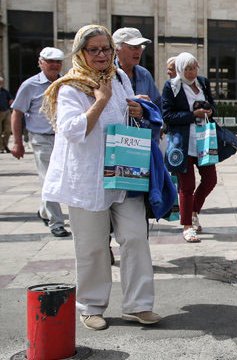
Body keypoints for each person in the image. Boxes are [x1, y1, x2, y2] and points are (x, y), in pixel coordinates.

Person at [41, 24, 161, 331]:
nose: (101, 55)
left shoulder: (119, 77)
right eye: (93, 49)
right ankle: (91, 305)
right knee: (92, 246)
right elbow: (71, 130)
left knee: (135, 237)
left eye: (105, 49)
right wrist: (101, 101)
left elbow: (126, 114)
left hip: (123, 172)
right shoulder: (70, 86)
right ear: (81, 53)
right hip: (87, 179)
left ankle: (138, 304)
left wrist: (135, 109)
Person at [10, 47, 71, 237]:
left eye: (57, 62)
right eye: (49, 61)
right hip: (41, 138)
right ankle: (56, 223)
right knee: (49, 179)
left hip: (63, 139)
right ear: (40, 62)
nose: (54, 65)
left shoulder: (66, 84)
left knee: (64, 179)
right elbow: (17, 113)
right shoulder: (30, 85)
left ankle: (45, 211)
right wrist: (17, 142)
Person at [161, 52, 217, 243]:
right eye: (187, 69)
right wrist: (193, 114)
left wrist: (209, 111)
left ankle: (193, 211)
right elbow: (167, 116)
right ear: (179, 70)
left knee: (210, 179)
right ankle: (187, 226)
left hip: (204, 140)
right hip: (183, 143)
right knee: (186, 186)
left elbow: (213, 106)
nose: (192, 72)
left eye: (194, 68)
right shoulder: (172, 86)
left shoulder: (202, 83)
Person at [113, 27, 160, 106]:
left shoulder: (144, 74)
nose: (138, 51)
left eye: (140, 47)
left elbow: (157, 107)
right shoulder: (106, 75)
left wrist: (144, 111)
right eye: (132, 47)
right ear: (117, 49)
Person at [0, 77, 14, 153]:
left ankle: (5, 145)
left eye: (1, 83)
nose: (1, 84)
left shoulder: (5, 91)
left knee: (8, 130)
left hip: (6, 111)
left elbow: (11, 99)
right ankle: (1, 147)